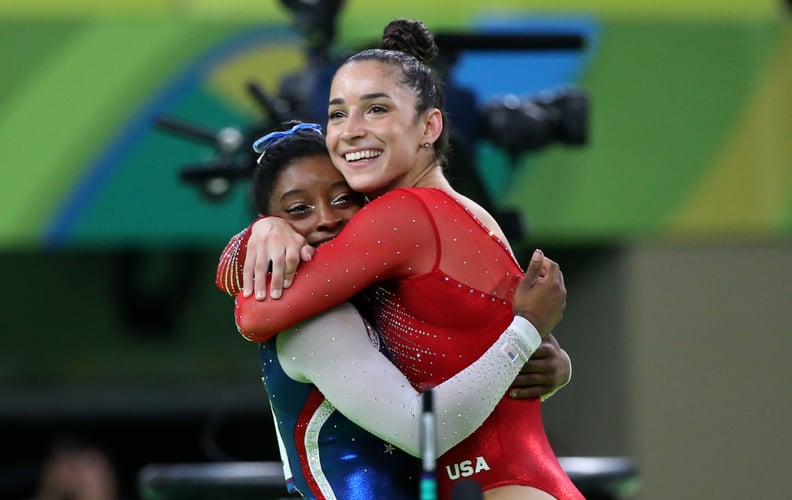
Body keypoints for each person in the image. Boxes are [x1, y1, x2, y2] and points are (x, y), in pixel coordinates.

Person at [220, 19, 582, 499]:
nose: (351, 131)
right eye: (337, 113)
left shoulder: (404, 215)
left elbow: (255, 312)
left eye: (376, 110)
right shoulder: (461, 213)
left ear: (430, 125)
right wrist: (263, 231)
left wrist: (527, 333)